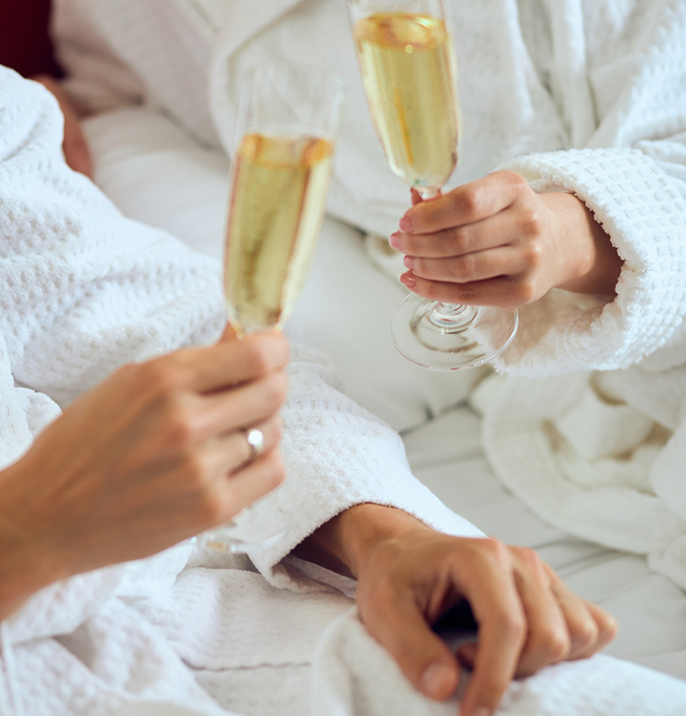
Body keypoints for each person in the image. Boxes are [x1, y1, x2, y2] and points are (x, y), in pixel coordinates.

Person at [0, 66, 617, 715]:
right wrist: (27, 527)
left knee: (548, 688)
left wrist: (387, 536)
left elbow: (184, 330)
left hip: (172, 610)